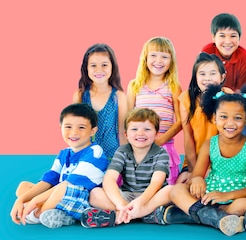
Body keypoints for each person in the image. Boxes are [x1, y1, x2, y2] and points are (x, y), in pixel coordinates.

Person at [159, 84, 246, 236]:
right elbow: (197, 174)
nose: (230, 123)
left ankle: (194, 215)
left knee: (245, 205)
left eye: (238, 118)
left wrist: (227, 196)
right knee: (177, 190)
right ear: (214, 118)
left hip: (235, 198)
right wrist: (197, 180)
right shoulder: (210, 143)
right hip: (208, 195)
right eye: (223, 117)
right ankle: (216, 219)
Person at [10, 103, 109, 228]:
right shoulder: (65, 153)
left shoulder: (95, 152)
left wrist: (34, 201)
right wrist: (21, 200)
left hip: (83, 200)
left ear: (93, 131)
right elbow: (49, 180)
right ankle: (58, 213)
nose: (74, 132)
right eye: (68, 127)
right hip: (60, 196)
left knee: (60, 189)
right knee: (23, 187)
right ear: (60, 127)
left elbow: (68, 184)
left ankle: (36, 215)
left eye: (81, 128)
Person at [80, 108, 173, 227]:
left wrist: (140, 202)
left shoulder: (161, 153)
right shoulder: (122, 151)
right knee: (94, 193)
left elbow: (156, 183)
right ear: (126, 134)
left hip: (150, 197)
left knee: (170, 190)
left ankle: (120, 215)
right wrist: (121, 204)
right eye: (134, 129)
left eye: (147, 129)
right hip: (127, 196)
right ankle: (141, 214)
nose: (140, 133)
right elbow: (109, 179)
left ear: (156, 134)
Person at [127, 36, 183, 185]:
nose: (158, 60)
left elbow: (180, 121)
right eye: (153, 55)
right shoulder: (134, 86)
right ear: (145, 58)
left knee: (164, 185)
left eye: (164, 56)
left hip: (163, 146)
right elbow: (128, 119)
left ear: (171, 61)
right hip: (139, 145)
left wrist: (161, 140)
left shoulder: (173, 86)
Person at [177, 53, 230, 184]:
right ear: (195, 77)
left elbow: (230, 138)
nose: (207, 78)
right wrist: (195, 172)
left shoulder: (228, 96)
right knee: (179, 187)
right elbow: (188, 137)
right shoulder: (186, 99)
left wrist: (213, 169)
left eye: (213, 73)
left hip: (221, 163)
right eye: (202, 74)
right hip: (193, 161)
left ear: (222, 77)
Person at [72, 43, 128, 160]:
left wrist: (124, 160)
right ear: (86, 68)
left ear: (112, 67)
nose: (99, 70)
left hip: (112, 155)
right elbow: (75, 129)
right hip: (86, 155)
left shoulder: (119, 96)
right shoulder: (80, 95)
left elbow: (122, 132)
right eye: (93, 65)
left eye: (104, 65)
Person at [201, 13, 246, 91]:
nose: (228, 41)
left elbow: (243, 90)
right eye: (222, 36)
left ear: (239, 38)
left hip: (234, 98)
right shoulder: (207, 52)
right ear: (213, 37)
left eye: (233, 36)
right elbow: (203, 82)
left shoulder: (244, 56)